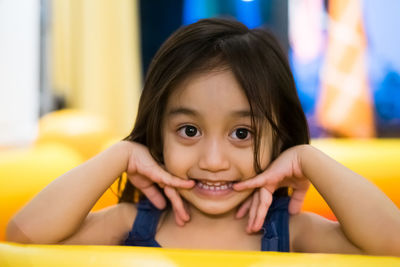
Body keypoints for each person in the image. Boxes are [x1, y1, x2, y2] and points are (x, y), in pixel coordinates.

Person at [6, 18, 400, 255]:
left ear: (279, 143)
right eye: (189, 131)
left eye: (242, 133)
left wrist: (308, 159)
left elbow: (393, 242)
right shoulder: (132, 224)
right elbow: (22, 237)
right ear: (158, 137)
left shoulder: (291, 231)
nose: (213, 160)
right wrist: (120, 154)